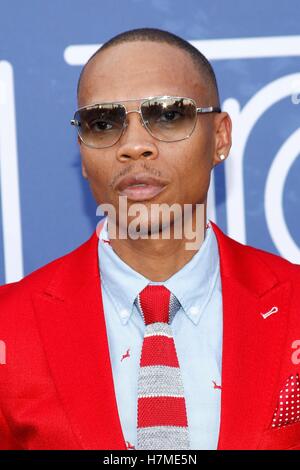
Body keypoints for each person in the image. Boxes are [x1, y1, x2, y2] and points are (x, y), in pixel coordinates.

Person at [0, 28, 300, 451]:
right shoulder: (8, 326)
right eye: (103, 123)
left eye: (169, 115)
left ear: (220, 138)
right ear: (82, 152)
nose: (135, 146)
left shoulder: (296, 304)